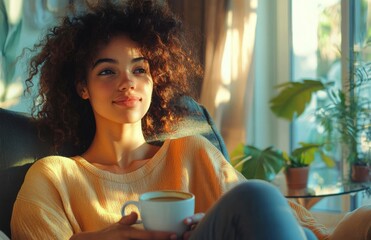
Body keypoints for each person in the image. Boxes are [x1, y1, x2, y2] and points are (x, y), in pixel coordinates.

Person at [10, 0, 368, 239]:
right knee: (256, 194)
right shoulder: (54, 178)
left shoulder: (191, 152)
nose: (127, 83)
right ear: (81, 87)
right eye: (107, 71)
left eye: (140, 69)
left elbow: (291, 221)